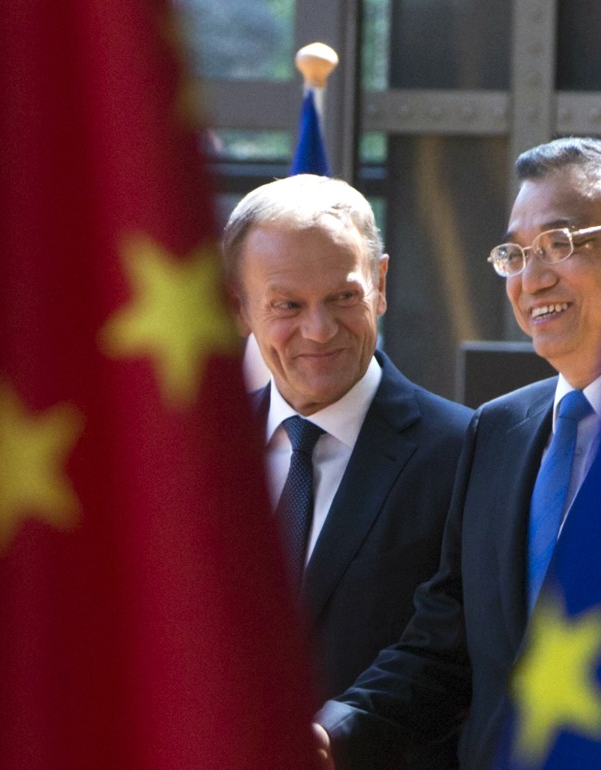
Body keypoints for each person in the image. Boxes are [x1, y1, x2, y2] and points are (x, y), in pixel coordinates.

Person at [315, 138, 601, 769]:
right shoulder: (499, 432)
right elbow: (445, 648)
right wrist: (333, 736)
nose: (532, 279)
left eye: (560, 244)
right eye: (516, 254)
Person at [221, 174, 473, 769]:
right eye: (287, 305)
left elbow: (448, 649)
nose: (319, 331)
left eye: (343, 297)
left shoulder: (468, 452)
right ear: (239, 308)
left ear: (380, 285)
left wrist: (331, 739)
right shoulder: (196, 461)